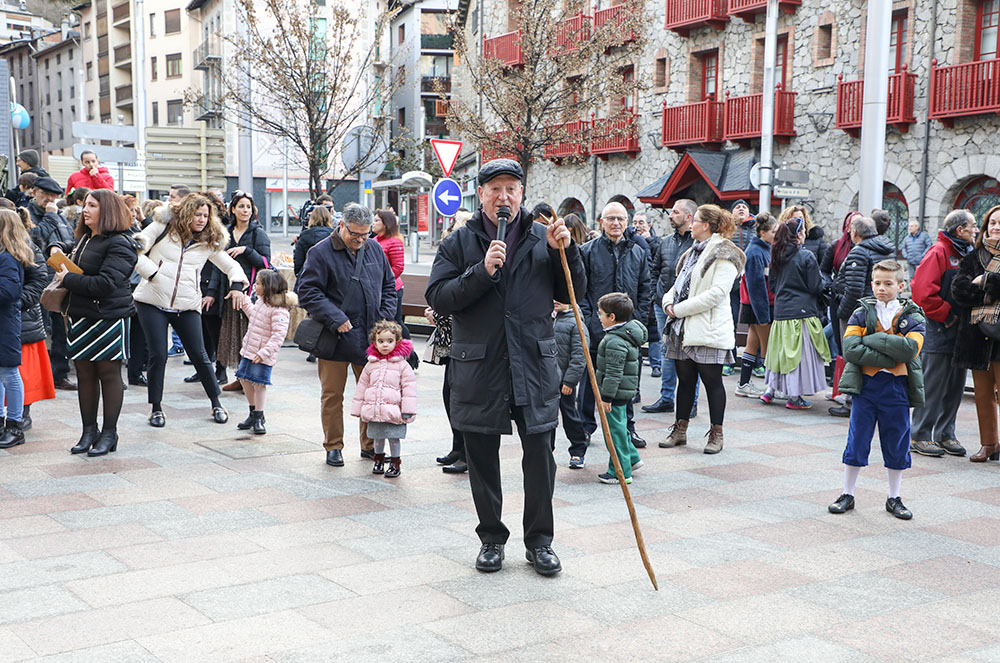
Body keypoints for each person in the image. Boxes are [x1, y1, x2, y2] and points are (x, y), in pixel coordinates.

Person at [425, 158, 585, 576]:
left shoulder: (542, 237)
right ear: (480, 195)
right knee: (480, 456)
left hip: (532, 364)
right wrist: (481, 272)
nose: (504, 196)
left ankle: (540, 542)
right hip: (479, 367)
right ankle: (491, 539)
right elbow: (440, 297)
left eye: (511, 188)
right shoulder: (459, 243)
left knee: (540, 456)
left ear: (521, 194)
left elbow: (576, 291)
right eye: (495, 188)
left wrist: (565, 252)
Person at [133, 193, 248, 428]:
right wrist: (153, 274)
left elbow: (231, 265)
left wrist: (237, 285)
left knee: (200, 355)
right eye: (197, 214)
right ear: (187, 213)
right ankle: (156, 408)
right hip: (152, 301)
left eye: (206, 216)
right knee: (158, 355)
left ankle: (216, 402)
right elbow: (135, 249)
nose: (202, 220)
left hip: (186, 304)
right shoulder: (163, 227)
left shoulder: (209, 240)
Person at [297, 203, 397, 468]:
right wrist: (336, 318)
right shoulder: (320, 252)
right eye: (355, 234)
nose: (361, 240)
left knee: (371, 395)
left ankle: (369, 445)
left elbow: (389, 285)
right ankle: (333, 446)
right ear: (341, 225)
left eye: (366, 235)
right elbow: (307, 292)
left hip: (370, 338)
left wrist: (384, 319)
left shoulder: (373, 248)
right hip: (335, 338)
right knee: (332, 395)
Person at [828, 259, 925, 520]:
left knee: (897, 441)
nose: (881, 288)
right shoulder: (861, 311)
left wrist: (870, 341)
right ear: (872, 284)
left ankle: (894, 497)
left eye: (888, 283)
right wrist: (891, 354)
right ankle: (847, 493)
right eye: (877, 283)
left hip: (896, 387)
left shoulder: (912, 314)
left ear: (901, 286)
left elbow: (911, 349)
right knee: (857, 438)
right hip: (866, 385)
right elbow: (850, 349)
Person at [50, 190, 139, 456]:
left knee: (109, 375)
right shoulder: (87, 238)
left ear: (108, 210)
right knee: (85, 374)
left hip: (109, 318)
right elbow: (69, 251)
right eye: (84, 205)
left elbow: (105, 284)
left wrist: (67, 280)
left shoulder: (121, 243)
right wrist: (54, 248)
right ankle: (89, 431)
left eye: (92, 205)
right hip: (80, 315)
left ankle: (109, 433)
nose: (84, 210)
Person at [660, 204, 745, 454]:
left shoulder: (726, 253)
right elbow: (677, 286)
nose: (691, 223)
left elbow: (717, 294)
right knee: (684, 381)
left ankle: (716, 435)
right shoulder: (692, 252)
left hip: (707, 329)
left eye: (695, 220)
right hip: (683, 328)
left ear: (706, 225)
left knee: (712, 382)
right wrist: (668, 302)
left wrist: (679, 309)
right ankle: (680, 430)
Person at [578, 201, 651, 450]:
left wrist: (636, 320)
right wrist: (590, 320)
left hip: (627, 331)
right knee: (590, 381)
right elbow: (582, 291)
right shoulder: (587, 251)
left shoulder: (638, 252)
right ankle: (585, 428)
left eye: (620, 219)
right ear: (601, 221)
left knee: (625, 380)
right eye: (611, 218)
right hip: (597, 327)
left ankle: (628, 428)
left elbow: (645, 290)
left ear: (627, 222)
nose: (616, 223)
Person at [909, 210, 976, 458]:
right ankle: (920, 434)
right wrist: (947, 315)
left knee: (955, 386)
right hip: (941, 329)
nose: (976, 230)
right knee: (933, 385)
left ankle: (945, 434)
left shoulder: (963, 253)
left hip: (959, 331)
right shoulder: (939, 252)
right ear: (960, 230)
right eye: (973, 225)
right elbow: (922, 294)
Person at [759, 218, 832, 409]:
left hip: (781, 311)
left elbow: (773, 286)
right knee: (797, 356)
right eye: (804, 231)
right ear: (798, 234)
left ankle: (770, 391)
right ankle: (794, 397)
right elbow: (815, 285)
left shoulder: (776, 254)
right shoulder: (806, 256)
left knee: (778, 353)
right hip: (802, 312)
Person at [830, 215, 894, 417]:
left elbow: (854, 288)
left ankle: (850, 402)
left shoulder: (860, 251)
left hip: (857, 312)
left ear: (855, 233)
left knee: (853, 356)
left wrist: (843, 313)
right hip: (878, 309)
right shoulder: (886, 249)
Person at [951, 205, 1000, 463]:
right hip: (976, 336)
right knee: (982, 394)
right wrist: (989, 291)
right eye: (992, 222)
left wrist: (982, 282)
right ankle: (988, 444)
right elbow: (958, 291)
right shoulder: (972, 257)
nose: (996, 227)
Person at [645, 199, 697, 415]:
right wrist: (655, 297)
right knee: (667, 351)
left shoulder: (698, 244)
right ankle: (667, 397)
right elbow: (654, 270)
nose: (670, 215)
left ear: (688, 217)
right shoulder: (665, 242)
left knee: (689, 352)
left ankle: (691, 401)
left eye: (675, 212)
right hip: (662, 306)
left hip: (688, 307)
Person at [215, 191, 271, 392]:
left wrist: (246, 251)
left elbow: (266, 264)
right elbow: (216, 264)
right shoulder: (225, 232)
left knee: (249, 336)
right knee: (228, 334)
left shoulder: (258, 233)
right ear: (232, 209)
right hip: (227, 291)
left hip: (250, 294)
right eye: (241, 206)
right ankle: (230, 374)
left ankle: (247, 378)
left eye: (248, 207)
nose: (245, 210)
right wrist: (212, 292)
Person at [428, 214, 469, 474]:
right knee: (449, 395)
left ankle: (467, 453)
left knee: (463, 399)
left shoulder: (472, 256)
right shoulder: (455, 252)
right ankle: (458, 447)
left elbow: (464, 297)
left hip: (465, 341)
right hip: (450, 341)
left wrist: (440, 312)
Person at [27, 176, 76, 391]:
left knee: (59, 328)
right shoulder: (26, 213)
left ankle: (59, 373)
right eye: (46, 194)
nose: (49, 199)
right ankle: (42, 375)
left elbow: (69, 239)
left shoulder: (58, 215)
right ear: (35, 192)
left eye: (54, 196)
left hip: (59, 277)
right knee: (42, 329)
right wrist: (49, 217)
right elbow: (33, 238)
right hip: (38, 279)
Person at [351, 320, 416, 479]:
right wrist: (358, 408)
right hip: (375, 410)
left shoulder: (402, 365)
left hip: (394, 411)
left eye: (389, 341)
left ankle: (395, 463)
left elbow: (409, 389)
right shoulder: (371, 364)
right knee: (377, 438)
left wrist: (407, 410)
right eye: (381, 341)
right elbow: (362, 386)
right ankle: (378, 460)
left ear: (397, 342)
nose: (385, 345)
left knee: (394, 438)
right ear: (374, 342)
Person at [234, 269, 295, 435]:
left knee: (259, 384)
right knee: (244, 379)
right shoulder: (261, 301)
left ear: (268, 286)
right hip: (250, 349)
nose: (255, 286)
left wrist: (264, 352)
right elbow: (254, 317)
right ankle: (252, 412)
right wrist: (245, 301)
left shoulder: (280, 309)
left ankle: (259, 416)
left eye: (258, 283)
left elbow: (278, 335)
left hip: (262, 354)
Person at [595, 292, 646, 484]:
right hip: (622, 392)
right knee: (621, 427)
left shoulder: (615, 341)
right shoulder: (625, 333)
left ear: (612, 317)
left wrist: (606, 397)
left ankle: (619, 471)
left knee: (614, 433)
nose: (598, 318)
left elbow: (614, 373)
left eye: (601, 314)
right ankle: (632, 458)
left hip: (614, 394)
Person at [13, 207, 54, 431]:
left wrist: (17, 301)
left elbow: (39, 280)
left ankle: (22, 413)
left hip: (24, 319)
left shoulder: (28, 246)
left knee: (22, 372)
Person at [0, 209, 34, 448]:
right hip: (4, 322)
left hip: (5, 323)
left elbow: (9, 292)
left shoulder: (7, 258)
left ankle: (14, 425)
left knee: (10, 373)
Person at [735, 212, 777, 398]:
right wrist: (763, 316)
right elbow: (756, 285)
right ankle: (772, 388)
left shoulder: (761, 249)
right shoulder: (756, 252)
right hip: (759, 306)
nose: (776, 234)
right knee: (767, 348)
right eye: (773, 231)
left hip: (756, 305)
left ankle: (744, 383)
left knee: (752, 345)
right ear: (762, 232)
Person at [552, 299, 590, 469]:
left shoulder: (575, 323)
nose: (555, 301)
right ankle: (546, 450)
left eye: (560, 298)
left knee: (569, 415)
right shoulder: (548, 319)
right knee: (546, 418)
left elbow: (579, 355)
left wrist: (570, 381)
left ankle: (578, 449)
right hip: (546, 380)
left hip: (564, 381)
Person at [633, 212, 661, 378]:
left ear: (649, 225)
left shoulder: (656, 243)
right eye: (635, 222)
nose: (638, 226)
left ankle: (656, 364)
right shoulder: (631, 242)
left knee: (654, 332)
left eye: (641, 222)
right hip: (637, 292)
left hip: (652, 293)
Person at [293, 205, 335, 277]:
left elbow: (298, 261)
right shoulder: (334, 235)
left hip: (308, 274)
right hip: (330, 275)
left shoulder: (304, 236)